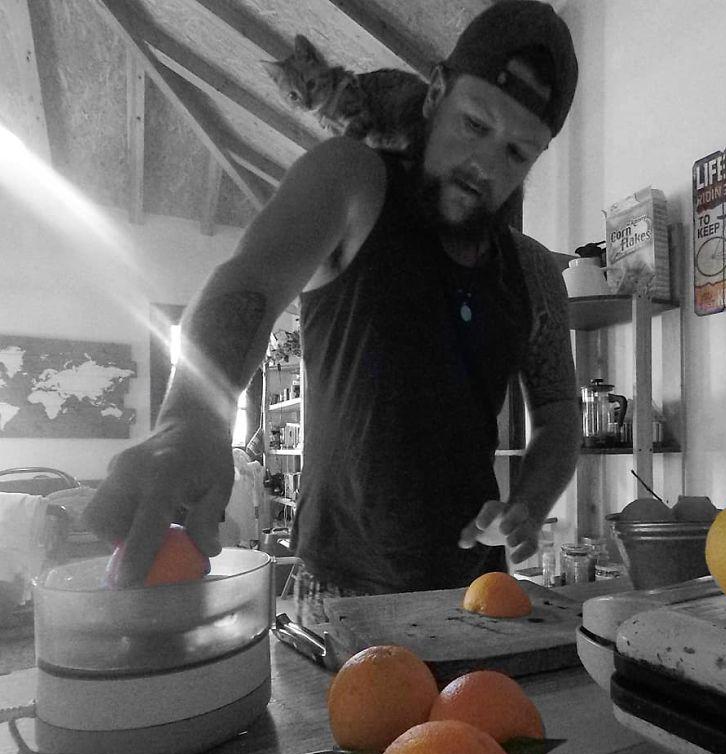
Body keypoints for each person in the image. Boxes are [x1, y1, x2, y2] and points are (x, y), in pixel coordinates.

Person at [85, 0, 582, 624]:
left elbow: (559, 416)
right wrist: (191, 417)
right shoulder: (353, 182)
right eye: (475, 124)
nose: (484, 165)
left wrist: (528, 505)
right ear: (435, 94)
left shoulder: (533, 273)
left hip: (477, 595)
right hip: (335, 595)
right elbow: (249, 283)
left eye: (517, 153)